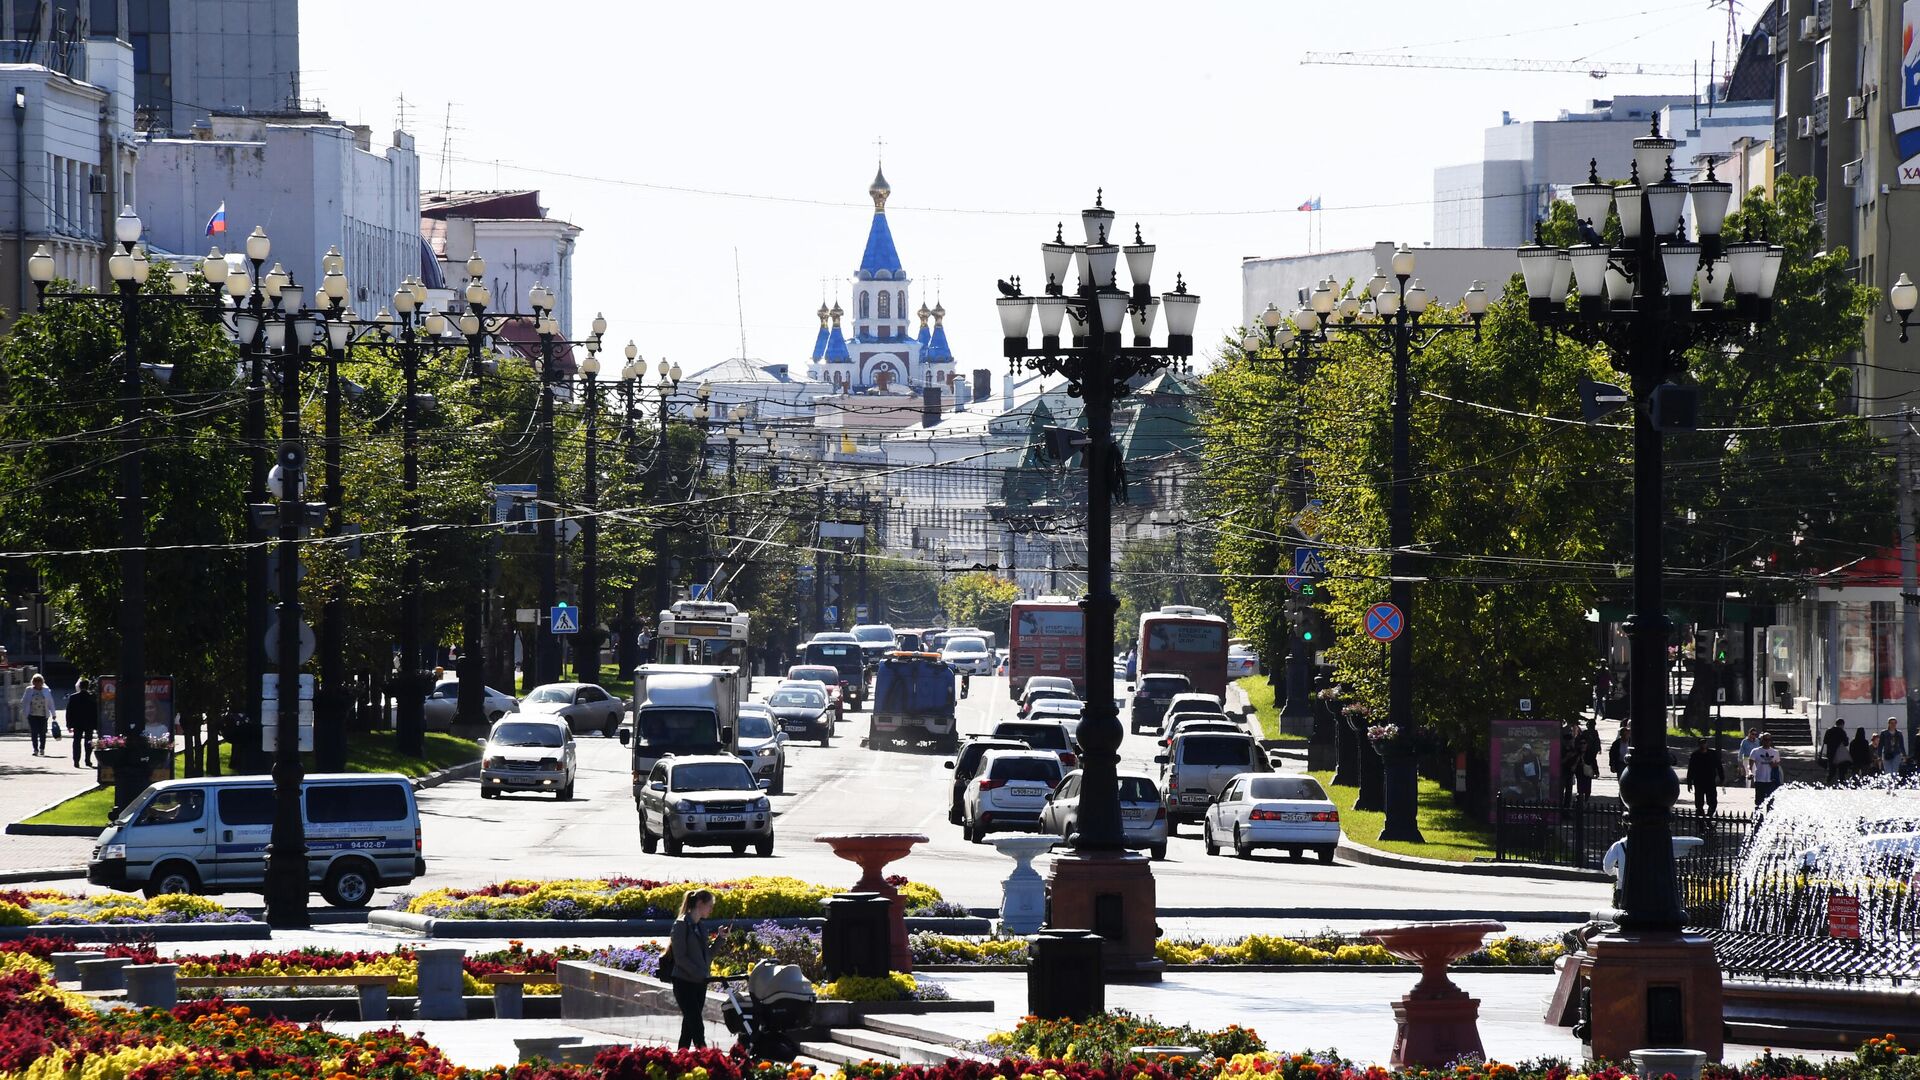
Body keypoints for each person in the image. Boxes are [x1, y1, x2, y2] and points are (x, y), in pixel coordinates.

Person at [667, 888, 716, 1049]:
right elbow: (680, 958)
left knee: (688, 1027)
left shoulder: (700, 926)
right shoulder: (681, 925)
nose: (711, 909)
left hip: (699, 983)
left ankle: (681, 1058)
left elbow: (706, 956)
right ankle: (707, 1058)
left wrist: (721, 939)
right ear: (700, 904)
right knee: (696, 1025)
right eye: (710, 905)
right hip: (684, 982)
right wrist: (699, 973)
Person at [1686, 738, 1724, 816]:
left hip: (1710, 781)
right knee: (1699, 803)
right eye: (1701, 743)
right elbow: (1691, 769)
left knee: (1713, 802)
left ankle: (1708, 818)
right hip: (1699, 781)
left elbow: (1719, 766)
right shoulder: (1695, 755)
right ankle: (1701, 821)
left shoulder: (1712, 754)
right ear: (1699, 745)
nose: (1703, 745)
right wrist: (1689, 782)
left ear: (1707, 744)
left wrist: (1722, 778)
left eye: (1704, 743)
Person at [20, 674, 55, 757]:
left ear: (42, 682)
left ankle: (42, 748)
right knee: (34, 732)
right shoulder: (29, 690)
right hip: (32, 715)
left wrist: (53, 713)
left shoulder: (46, 690)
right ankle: (35, 749)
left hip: (43, 715)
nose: (37, 683)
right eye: (35, 681)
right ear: (33, 682)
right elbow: (24, 701)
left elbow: (50, 702)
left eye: (39, 681)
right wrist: (25, 711)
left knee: (42, 732)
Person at [66, 678, 98, 768]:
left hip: (77, 723)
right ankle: (88, 760)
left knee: (76, 742)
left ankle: (76, 761)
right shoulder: (92, 697)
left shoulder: (73, 697)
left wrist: (69, 724)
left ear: (79, 687)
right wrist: (96, 725)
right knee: (88, 741)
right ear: (88, 686)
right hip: (89, 723)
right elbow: (96, 712)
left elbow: (69, 712)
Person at [1748, 732, 1783, 807]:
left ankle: (1769, 818)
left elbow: (1778, 765)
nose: (1767, 741)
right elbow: (1750, 765)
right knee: (1759, 803)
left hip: (1771, 781)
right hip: (1759, 780)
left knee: (1770, 803)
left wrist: (1774, 765)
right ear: (1762, 740)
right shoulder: (1755, 751)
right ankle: (1759, 818)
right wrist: (1750, 773)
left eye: (1769, 739)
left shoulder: (1775, 752)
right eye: (1765, 739)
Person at [1575, 718, 1603, 801]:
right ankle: (1581, 797)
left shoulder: (1589, 733)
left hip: (1589, 756)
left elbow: (1597, 742)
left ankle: (1582, 797)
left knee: (1586, 783)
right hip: (1585, 757)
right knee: (1582, 783)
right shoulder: (1589, 733)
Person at [1821, 717, 1849, 784]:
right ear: (1842, 724)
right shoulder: (1842, 732)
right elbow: (1846, 743)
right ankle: (1842, 783)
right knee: (1841, 770)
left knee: (1832, 770)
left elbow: (1825, 741)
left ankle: (1828, 781)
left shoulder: (1829, 730)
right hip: (1840, 754)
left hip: (1831, 754)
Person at [1558, 721, 1579, 806]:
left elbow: (1577, 756)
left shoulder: (1572, 748)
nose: (1569, 741)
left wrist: (1574, 764)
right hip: (1562, 772)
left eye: (1570, 738)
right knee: (1560, 791)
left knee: (1569, 792)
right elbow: (1559, 761)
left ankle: (1566, 809)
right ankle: (1559, 808)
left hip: (1570, 773)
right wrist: (1567, 757)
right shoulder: (1561, 749)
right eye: (1567, 738)